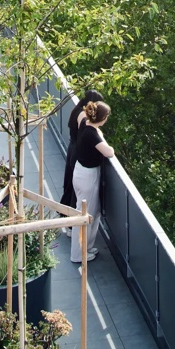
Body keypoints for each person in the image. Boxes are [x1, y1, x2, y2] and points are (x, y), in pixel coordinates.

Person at [70, 101, 114, 263]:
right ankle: (77, 254)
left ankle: (86, 247)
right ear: (102, 118)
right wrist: (101, 136)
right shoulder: (92, 134)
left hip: (82, 172)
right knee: (84, 215)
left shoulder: (85, 124)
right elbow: (109, 152)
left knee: (92, 213)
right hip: (87, 177)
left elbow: (81, 113)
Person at [61, 90, 104, 211]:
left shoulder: (77, 109)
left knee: (70, 183)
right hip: (77, 150)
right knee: (74, 190)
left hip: (72, 147)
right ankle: (71, 218)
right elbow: (86, 130)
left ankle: (65, 212)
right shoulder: (83, 115)